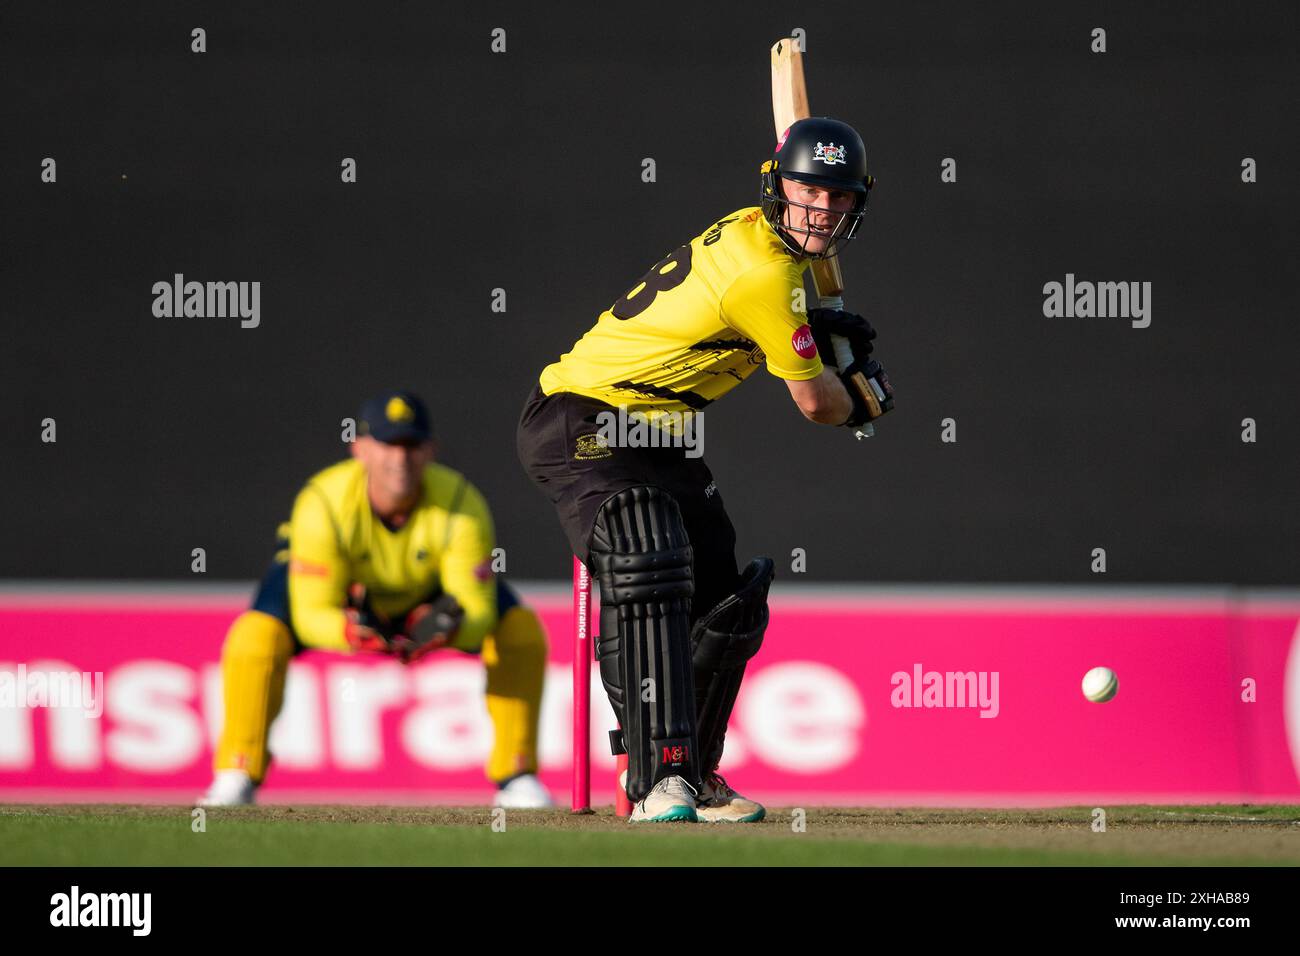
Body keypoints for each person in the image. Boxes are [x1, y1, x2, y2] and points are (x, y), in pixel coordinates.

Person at [516, 117, 892, 822]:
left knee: (726, 599)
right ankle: (658, 779)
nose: (822, 211)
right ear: (776, 185)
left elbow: (770, 318)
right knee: (646, 553)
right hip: (584, 412)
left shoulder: (763, 243)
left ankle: (697, 772)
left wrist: (815, 329)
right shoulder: (767, 272)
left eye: (839, 199)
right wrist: (861, 396)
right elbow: (816, 404)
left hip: (661, 428)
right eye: (808, 192)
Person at [200, 390, 553, 808]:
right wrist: (350, 631)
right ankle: (237, 770)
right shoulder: (323, 501)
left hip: (427, 595)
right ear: (360, 449)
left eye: (411, 446)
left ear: (430, 451)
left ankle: (517, 775)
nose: (399, 459)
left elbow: (475, 609)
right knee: (255, 635)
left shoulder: (461, 501)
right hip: (347, 599)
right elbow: (312, 612)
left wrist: (448, 628)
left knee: (521, 631)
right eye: (387, 444)